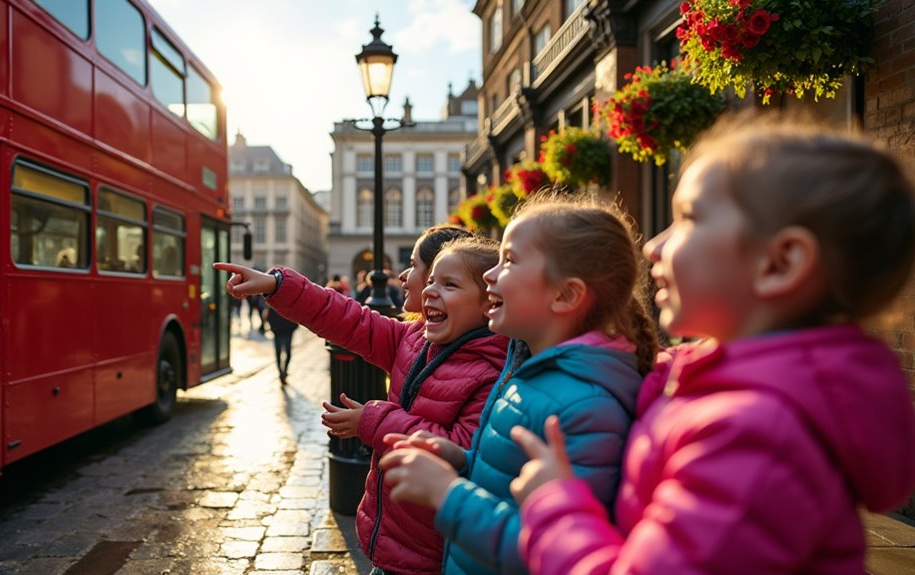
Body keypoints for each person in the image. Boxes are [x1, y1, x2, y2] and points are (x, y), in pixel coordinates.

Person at [509, 115, 915, 574]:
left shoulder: (753, 433)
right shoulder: (719, 391)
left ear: (780, 263)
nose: (653, 246)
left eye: (689, 218)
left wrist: (554, 505)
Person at [379, 194, 659, 575]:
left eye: (509, 260)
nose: (491, 275)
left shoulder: (586, 407)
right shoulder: (527, 366)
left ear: (565, 295)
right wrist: (462, 462)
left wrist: (448, 495)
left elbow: (554, 553)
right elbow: (515, 487)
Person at [214, 225, 507, 575]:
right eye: (430, 280)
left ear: (490, 302)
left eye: (447, 284)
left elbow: (461, 451)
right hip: (390, 538)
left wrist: (371, 421)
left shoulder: (492, 371)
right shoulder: (414, 339)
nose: (428, 290)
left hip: (432, 554)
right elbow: (349, 319)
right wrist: (279, 284)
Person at [264, 306, 298, 384]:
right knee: (281, 353)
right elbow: (269, 317)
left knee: (285, 353)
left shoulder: (288, 304)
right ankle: (281, 373)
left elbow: (296, 318)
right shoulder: (275, 303)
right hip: (279, 332)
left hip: (285, 332)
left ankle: (283, 372)